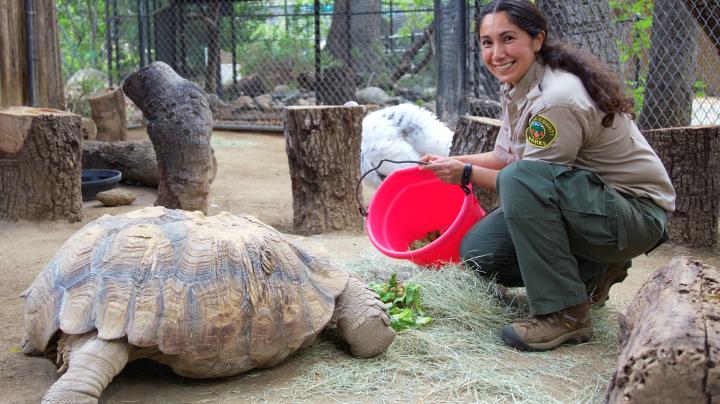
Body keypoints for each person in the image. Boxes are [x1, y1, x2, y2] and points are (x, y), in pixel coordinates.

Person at [420, 0, 675, 352]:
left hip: (634, 215)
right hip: (591, 205)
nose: (496, 53)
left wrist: (463, 173)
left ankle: (565, 314)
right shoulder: (520, 84)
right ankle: (594, 274)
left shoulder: (555, 99)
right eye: (487, 42)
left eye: (508, 38)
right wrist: (446, 163)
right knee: (480, 252)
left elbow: (524, 180)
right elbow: (503, 156)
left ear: (537, 40)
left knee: (520, 182)